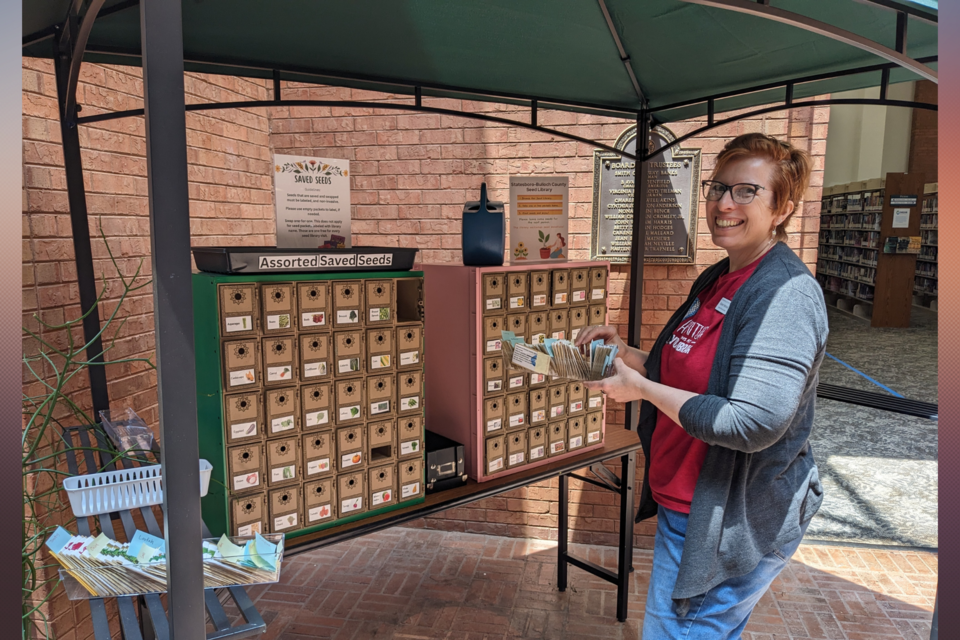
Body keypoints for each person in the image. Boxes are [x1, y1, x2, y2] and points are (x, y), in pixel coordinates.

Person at [578, 133, 827, 639]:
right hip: (687, 504)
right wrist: (631, 357)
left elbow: (751, 421)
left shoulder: (786, 295)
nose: (723, 203)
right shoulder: (719, 276)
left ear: (782, 208)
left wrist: (640, 391)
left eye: (746, 191)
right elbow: (692, 375)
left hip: (728, 520)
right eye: (717, 188)